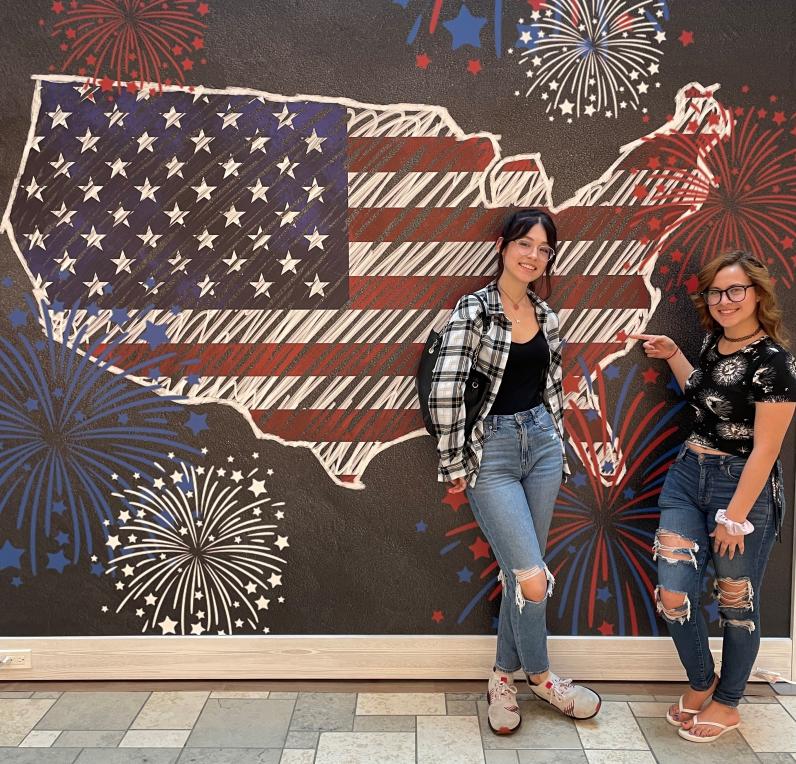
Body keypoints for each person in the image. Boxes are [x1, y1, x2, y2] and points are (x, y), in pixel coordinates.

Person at [428, 208, 601, 735]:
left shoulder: (546, 314)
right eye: (525, 243)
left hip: (543, 448)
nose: (533, 255)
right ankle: (544, 676)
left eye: (544, 249)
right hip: (493, 452)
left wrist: (558, 439)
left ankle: (502, 678)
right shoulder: (473, 311)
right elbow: (444, 391)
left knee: (519, 573)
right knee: (531, 577)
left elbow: (552, 387)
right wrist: (456, 460)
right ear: (504, 246)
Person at [631, 250, 796, 743]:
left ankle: (729, 703)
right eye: (715, 292)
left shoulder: (776, 363)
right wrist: (675, 354)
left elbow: (767, 449)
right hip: (687, 475)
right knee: (674, 591)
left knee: (735, 603)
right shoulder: (711, 344)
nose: (724, 300)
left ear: (758, 295)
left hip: (740, 488)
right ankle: (704, 683)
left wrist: (735, 519)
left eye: (735, 290)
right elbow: (702, 394)